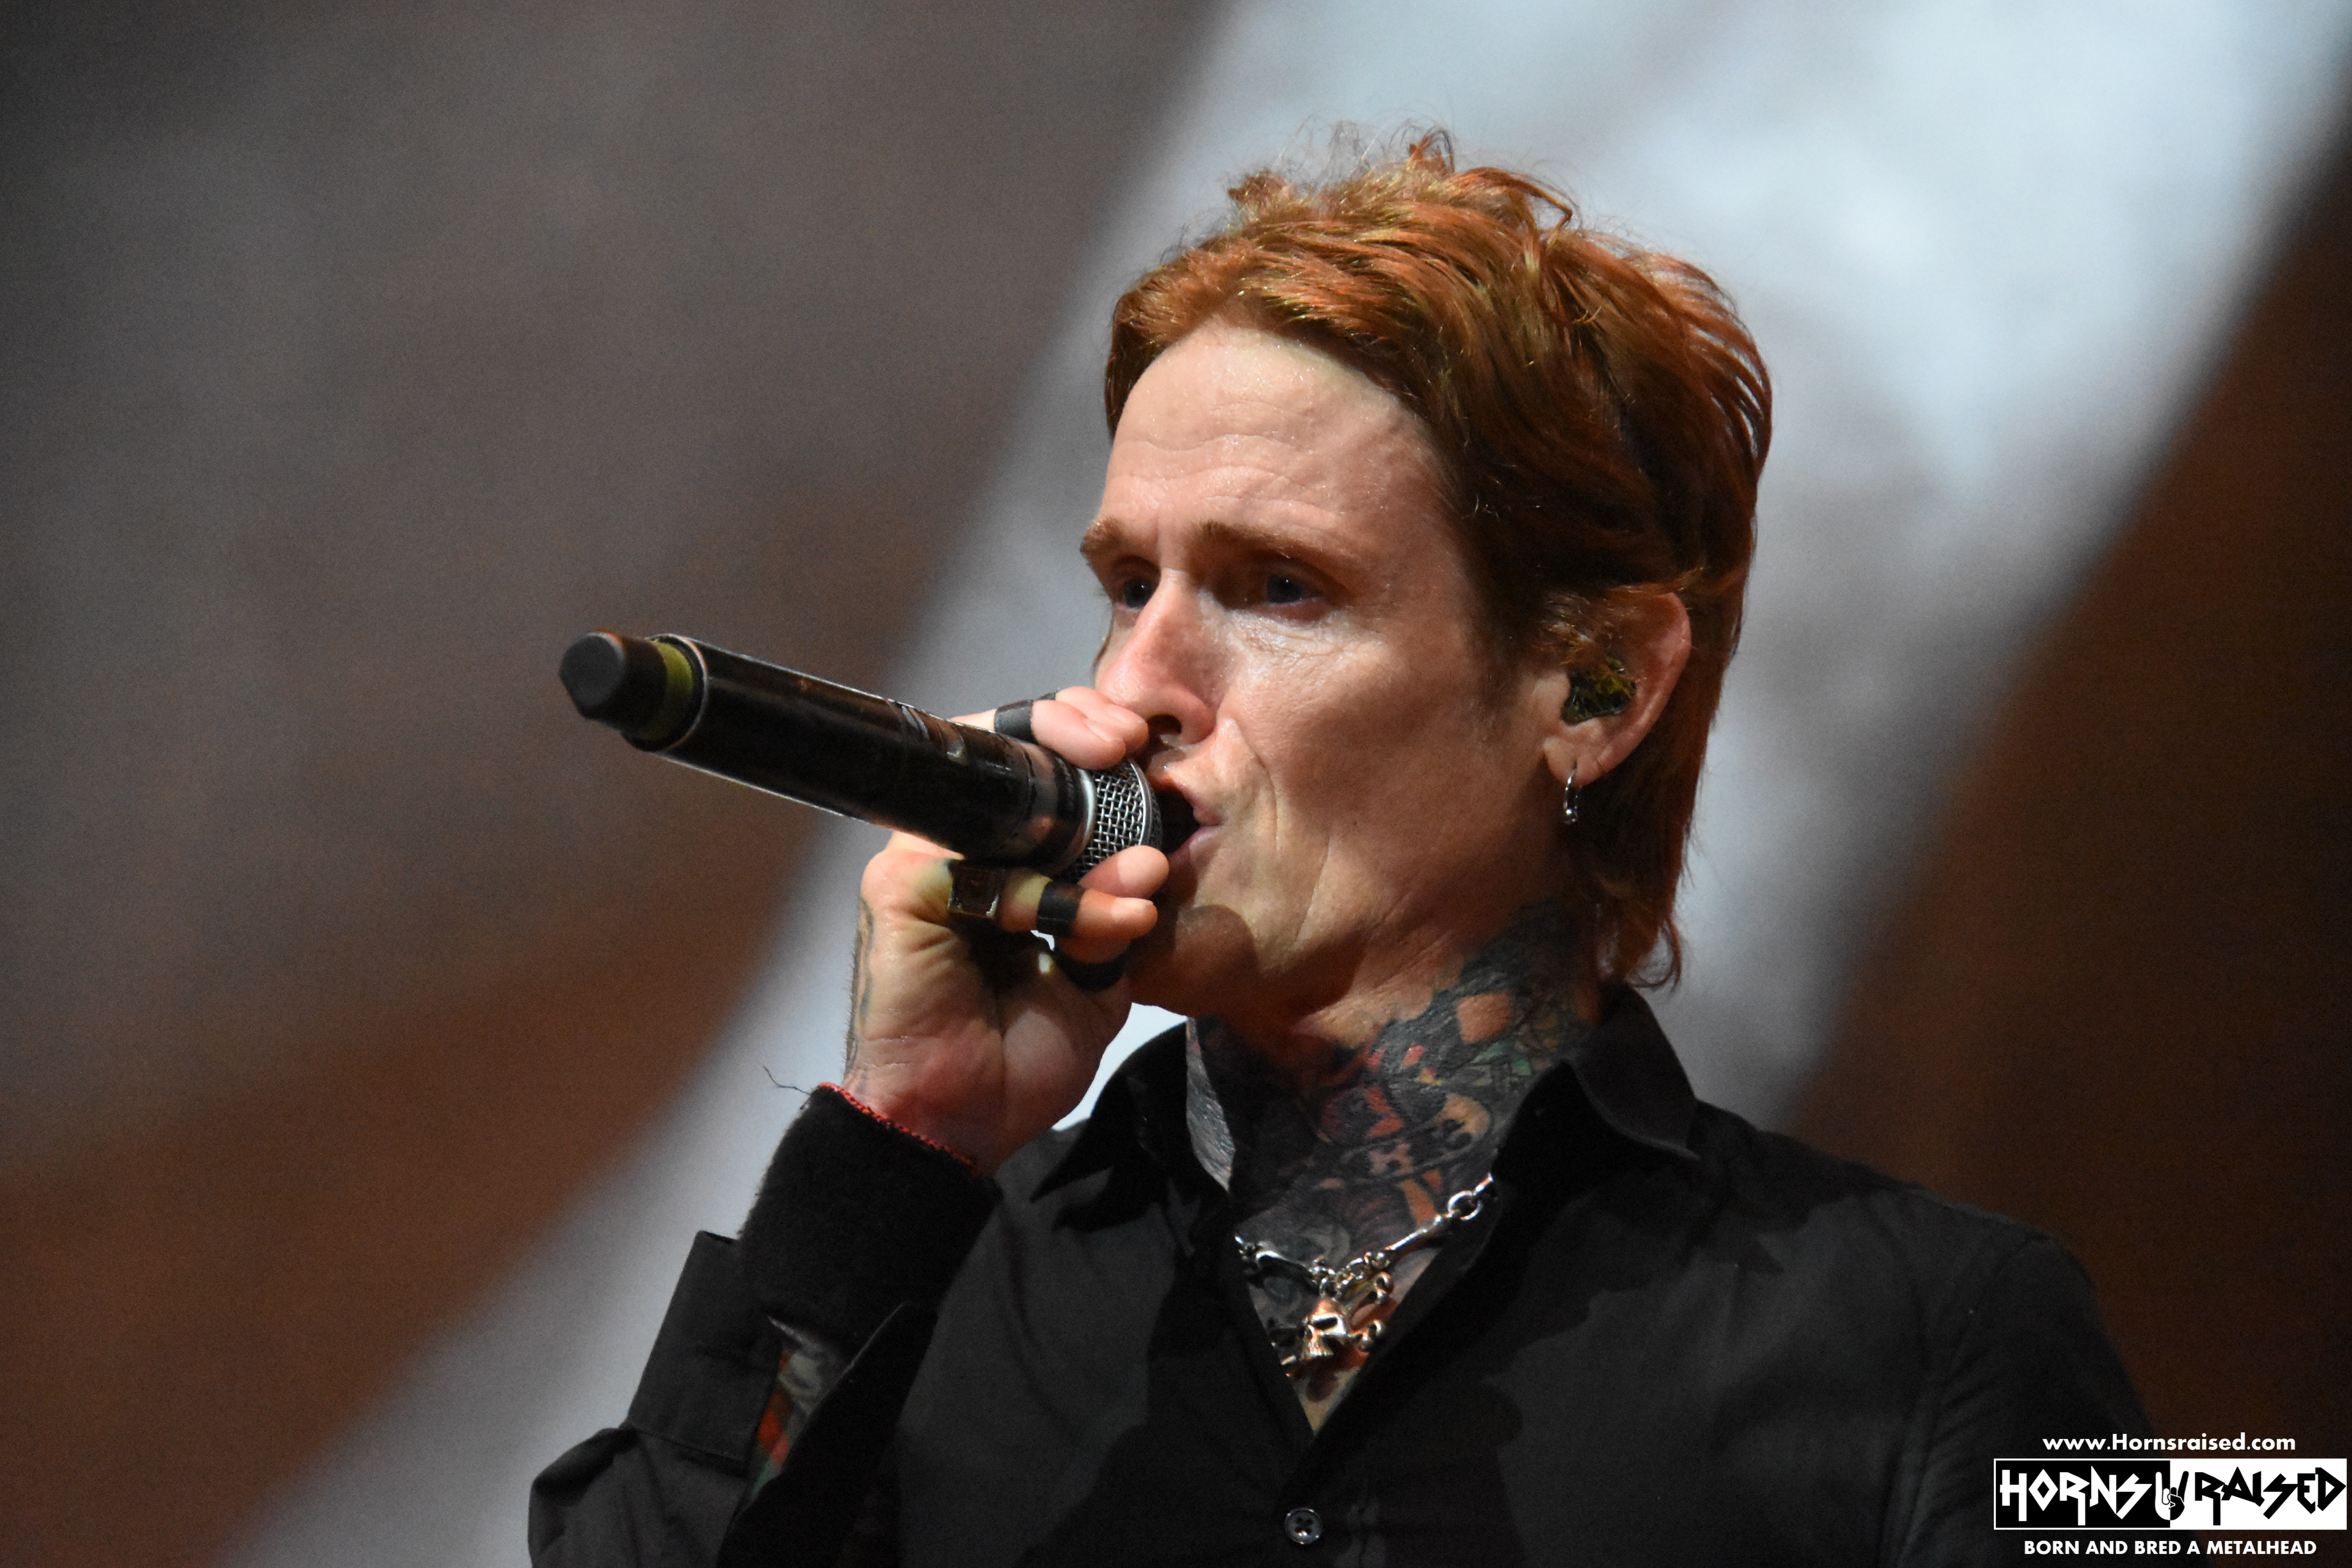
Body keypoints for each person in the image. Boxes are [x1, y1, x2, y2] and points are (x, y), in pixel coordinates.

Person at [530, 133, 2146, 1566]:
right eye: (1128, 584)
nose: (1136, 683)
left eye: (1278, 588)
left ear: (1591, 688)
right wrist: (900, 1136)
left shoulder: (1949, 1333)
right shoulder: (919, 1290)